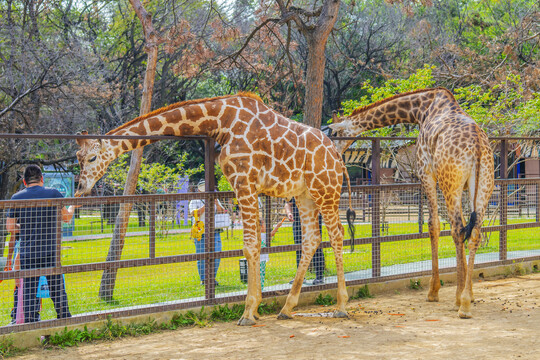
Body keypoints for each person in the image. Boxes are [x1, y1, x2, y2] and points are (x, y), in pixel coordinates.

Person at [5, 164, 77, 323]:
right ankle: (65, 320)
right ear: (41, 179)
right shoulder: (53, 193)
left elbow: (10, 227)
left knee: (29, 291)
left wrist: (24, 226)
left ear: (24, 181)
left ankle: (30, 323)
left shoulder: (16, 198)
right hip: (51, 251)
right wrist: (72, 207)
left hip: (28, 253)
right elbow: (66, 218)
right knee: (57, 289)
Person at [189, 179, 227, 285]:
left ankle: (212, 278)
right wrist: (206, 205)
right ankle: (204, 279)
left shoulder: (215, 198)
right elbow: (193, 213)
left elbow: (221, 211)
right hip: (201, 232)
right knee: (202, 256)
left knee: (217, 254)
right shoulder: (195, 200)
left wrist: (216, 203)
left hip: (214, 231)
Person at [285, 198, 325, 285]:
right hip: (298, 222)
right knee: (299, 248)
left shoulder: (312, 188)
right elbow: (288, 204)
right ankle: (300, 277)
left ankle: (319, 277)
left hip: (313, 221)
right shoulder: (295, 189)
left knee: (316, 247)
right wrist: (289, 213)